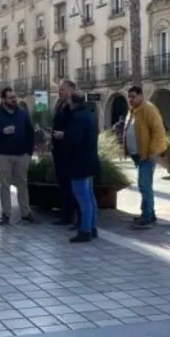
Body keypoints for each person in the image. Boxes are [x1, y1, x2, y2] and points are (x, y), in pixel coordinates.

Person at [0, 87, 35, 225]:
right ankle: (6, 214)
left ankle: (26, 212)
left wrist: (29, 153)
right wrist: (2, 131)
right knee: (4, 185)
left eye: (14, 97)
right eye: (10, 98)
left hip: (21, 155)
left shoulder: (23, 114)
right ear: (3, 99)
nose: (14, 100)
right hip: (2, 155)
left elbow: (30, 133)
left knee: (22, 184)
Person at [123, 86, 167, 228]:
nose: (131, 99)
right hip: (138, 155)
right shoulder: (133, 110)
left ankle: (147, 216)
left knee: (144, 185)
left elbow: (158, 131)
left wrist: (152, 151)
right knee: (145, 185)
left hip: (146, 155)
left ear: (141, 96)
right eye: (129, 96)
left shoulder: (149, 109)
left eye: (134, 96)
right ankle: (150, 213)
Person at [65, 92, 100, 243]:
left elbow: (74, 141)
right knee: (89, 196)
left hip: (79, 162)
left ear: (73, 102)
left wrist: (64, 137)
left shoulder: (77, 118)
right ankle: (92, 227)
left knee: (82, 197)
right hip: (90, 160)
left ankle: (85, 230)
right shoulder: (89, 115)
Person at [50, 80, 77, 227]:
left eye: (62, 89)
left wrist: (64, 135)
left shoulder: (73, 107)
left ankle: (69, 215)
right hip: (58, 149)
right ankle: (65, 213)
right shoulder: (60, 104)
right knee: (62, 183)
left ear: (71, 91)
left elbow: (76, 129)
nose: (59, 92)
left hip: (67, 151)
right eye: (59, 89)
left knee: (68, 184)